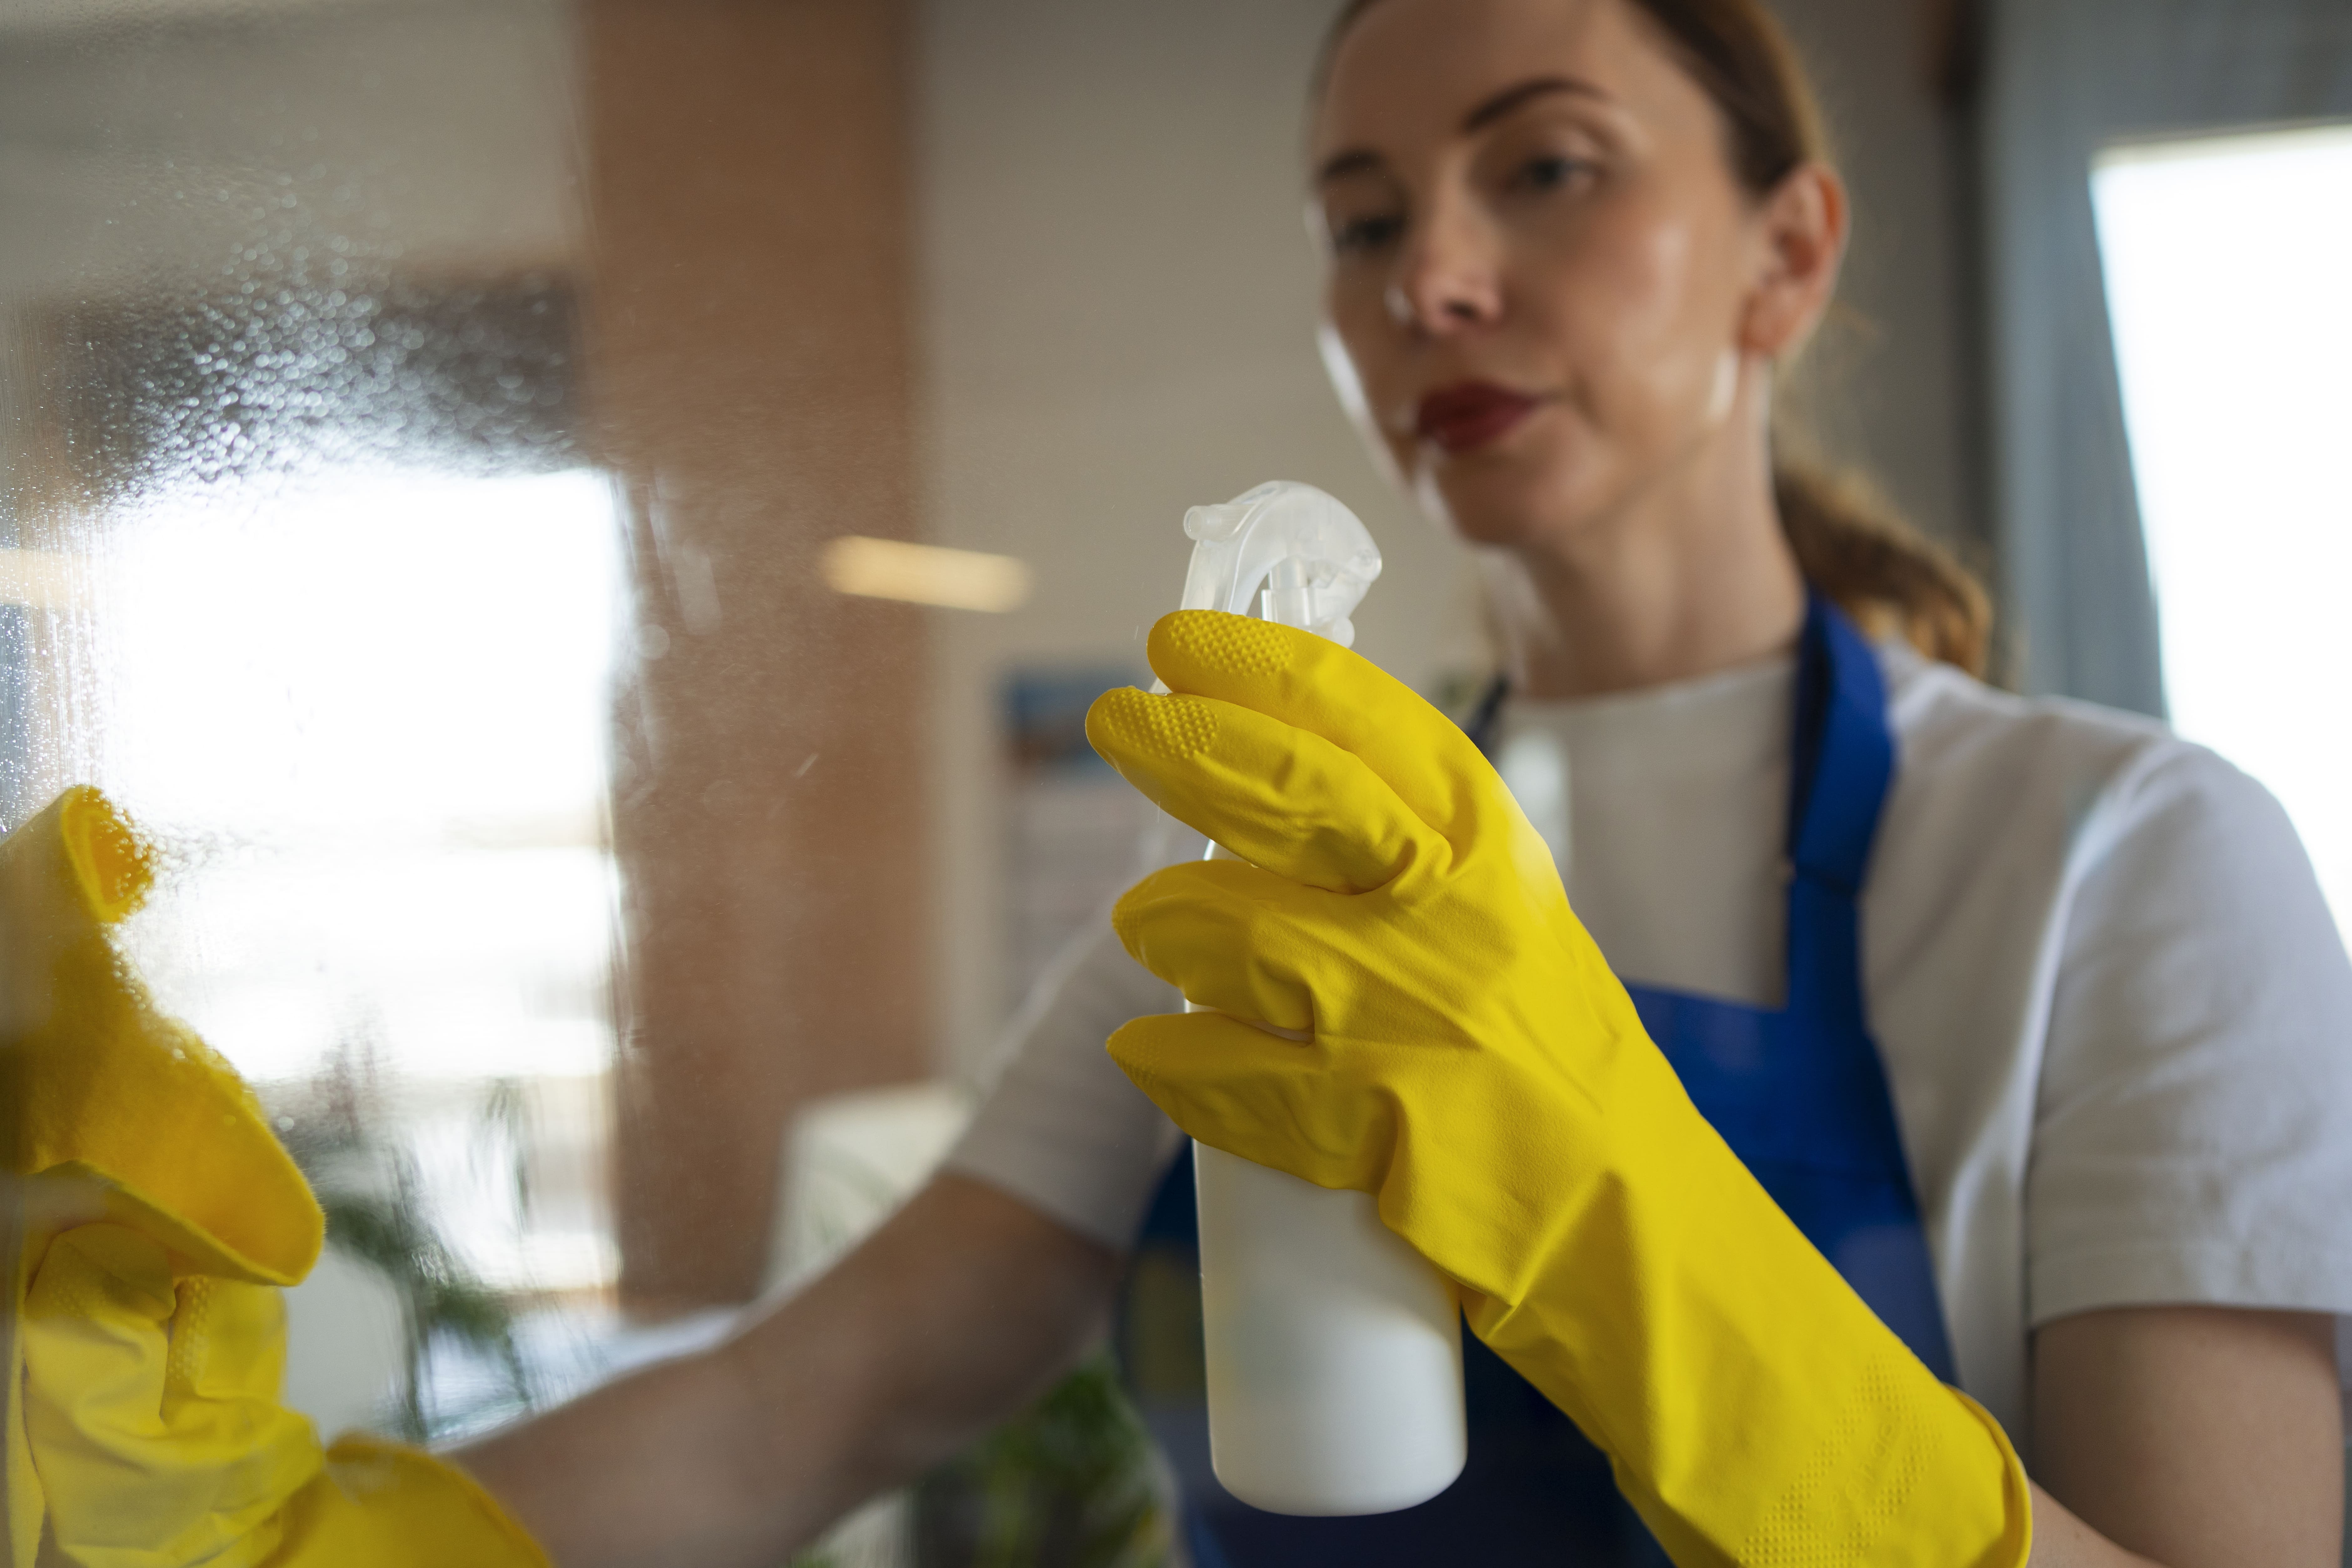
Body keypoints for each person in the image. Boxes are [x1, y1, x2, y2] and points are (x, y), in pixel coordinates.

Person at [10, 0, 2349, 1565]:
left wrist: (1671, 1259)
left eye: (1543, 169)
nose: (1428, 271)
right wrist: (290, 1531)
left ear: (1783, 252)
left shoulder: (2118, 857)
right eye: (1359, 212)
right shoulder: (1270, 861)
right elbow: (793, 1413)